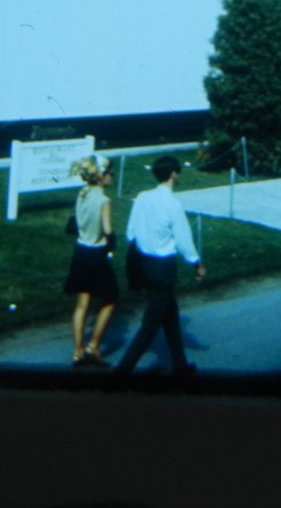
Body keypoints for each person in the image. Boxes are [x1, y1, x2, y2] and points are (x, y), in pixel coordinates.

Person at [113, 154, 204, 377]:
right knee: (151, 322)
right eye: (178, 171)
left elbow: (131, 232)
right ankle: (122, 371)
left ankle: (180, 365)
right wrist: (196, 263)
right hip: (163, 267)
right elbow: (183, 239)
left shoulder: (143, 197)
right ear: (173, 174)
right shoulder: (173, 204)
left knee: (170, 313)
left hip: (144, 264)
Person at [64, 155, 119, 366]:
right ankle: (93, 345)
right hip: (96, 255)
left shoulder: (82, 193)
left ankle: (77, 350)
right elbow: (108, 231)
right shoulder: (104, 200)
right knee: (111, 298)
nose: (112, 176)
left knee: (82, 302)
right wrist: (111, 242)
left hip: (80, 252)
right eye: (110, 173)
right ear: (101, 176)